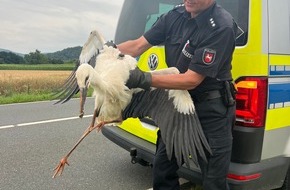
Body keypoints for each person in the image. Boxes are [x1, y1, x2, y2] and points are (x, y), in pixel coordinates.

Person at [116, 0, 237, 189]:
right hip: (178, 107)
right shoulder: (175, 16)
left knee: (214, 182)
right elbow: (138, 45)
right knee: (163, 170)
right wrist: (106, 52)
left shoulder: (221, 25)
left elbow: (191, 80)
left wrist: (144, 79)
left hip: (210, 111)